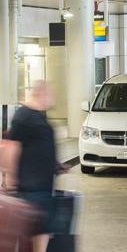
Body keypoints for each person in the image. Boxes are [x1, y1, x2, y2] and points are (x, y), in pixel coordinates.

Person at [7, 80, 68, 252]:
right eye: (51, 94)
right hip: (30, 187)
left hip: (43, 185)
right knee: (34, 231)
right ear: (41, 93)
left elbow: (40, 145)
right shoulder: (23, 116)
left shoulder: (39, 115)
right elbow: (13, 148)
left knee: (43, 231)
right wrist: (11, 178)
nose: (53, 98)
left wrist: (56, 165)